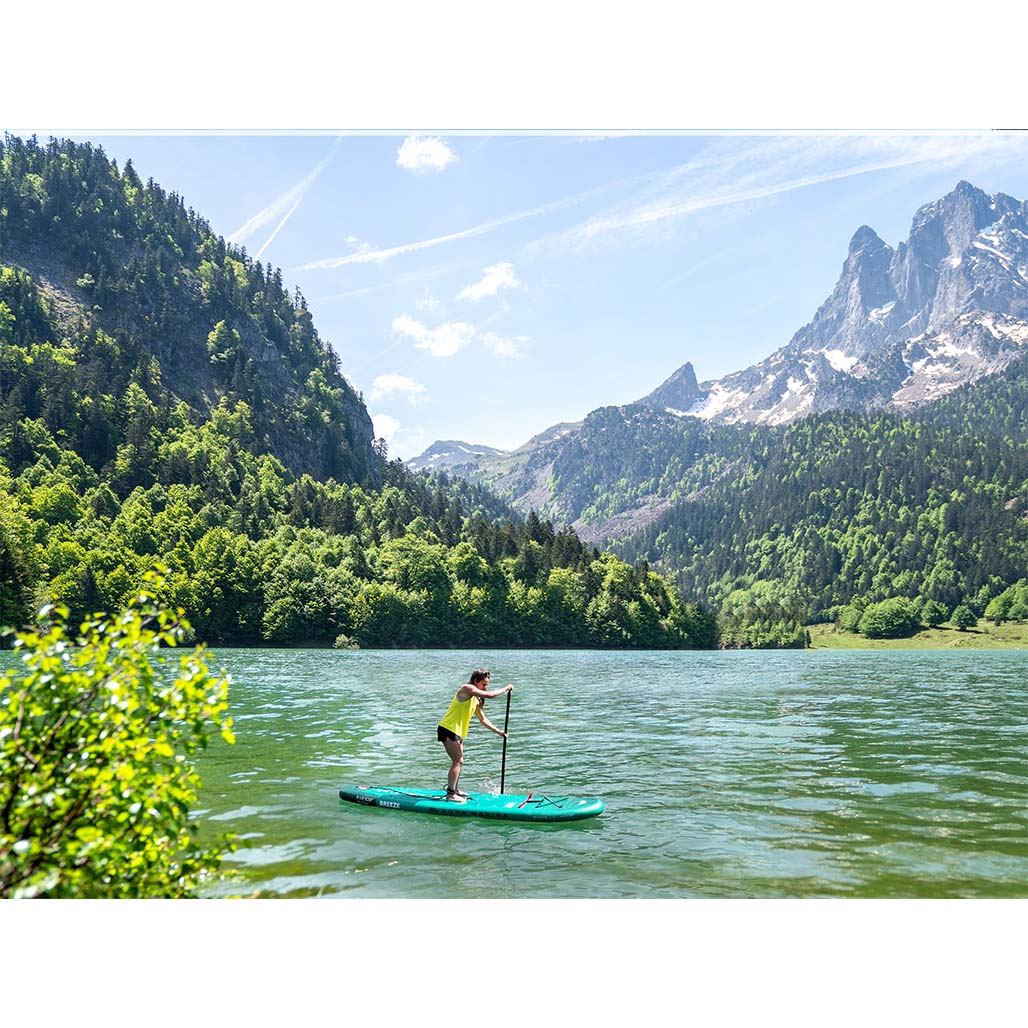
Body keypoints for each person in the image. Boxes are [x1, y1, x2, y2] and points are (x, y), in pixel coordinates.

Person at [437, 669, 513, 802]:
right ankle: (450, 794)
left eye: (487, 684)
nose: (485, 687)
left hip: (457, 732)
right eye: (484, 684)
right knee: (457, 761)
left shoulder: (476, 700)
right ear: (475, 681)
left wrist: (500, 732)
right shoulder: (466, 689)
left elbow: (483, 720)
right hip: (448, 729)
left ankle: (455, 790)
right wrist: (506, 688)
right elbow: (489, 695)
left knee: (460, 761)